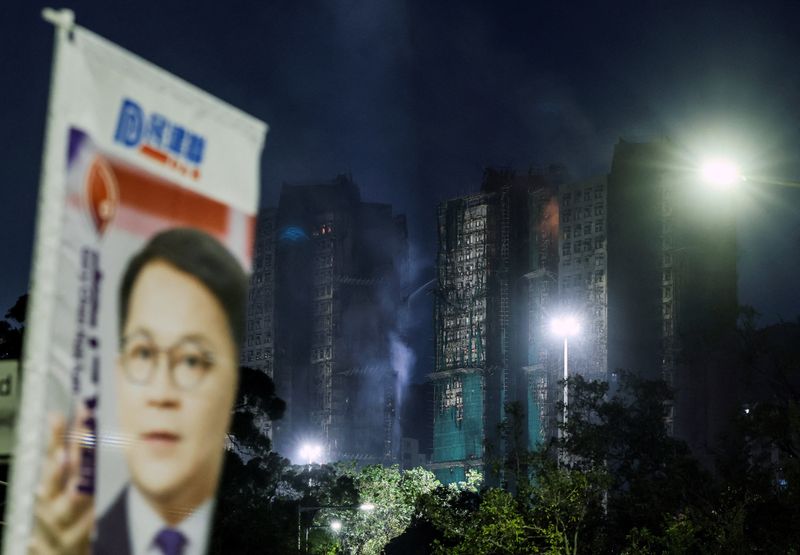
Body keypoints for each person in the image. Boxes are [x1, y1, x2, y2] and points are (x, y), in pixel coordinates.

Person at [32, 228, 247, 555]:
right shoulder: (61, 528)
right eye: (144, 353)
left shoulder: (245, 527)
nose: (162, 391)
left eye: (191, 360)